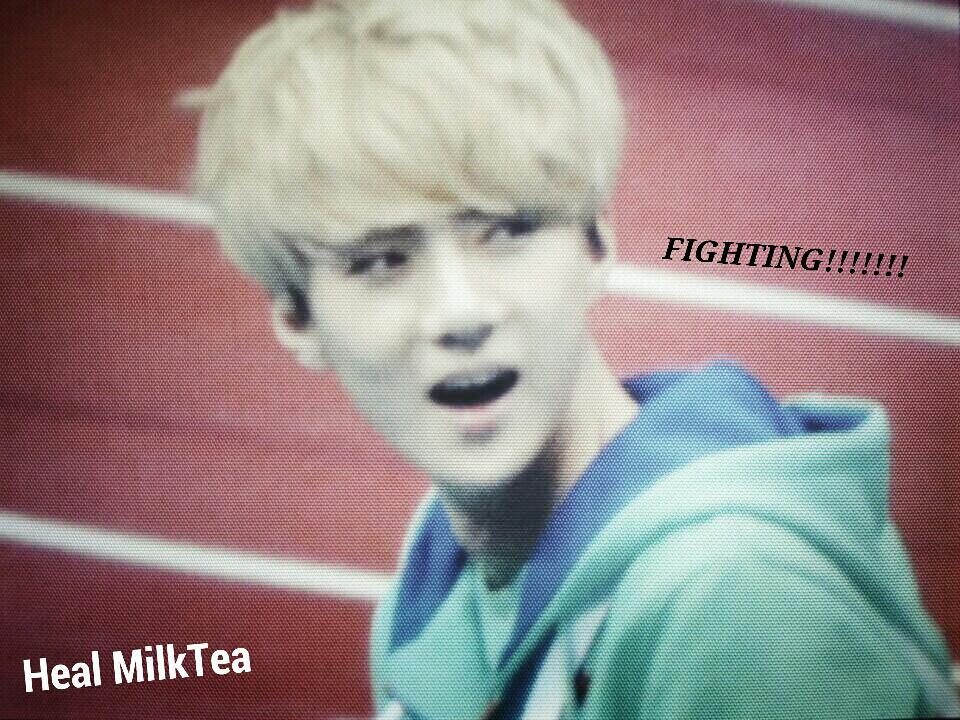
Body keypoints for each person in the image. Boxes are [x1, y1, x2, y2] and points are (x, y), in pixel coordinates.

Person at [185, 0, 958, 717]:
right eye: (381, 260)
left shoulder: (735, 597)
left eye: (506, 230)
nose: (460, 312)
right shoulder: (439, 569)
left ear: (596, 243)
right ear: (298, 318)